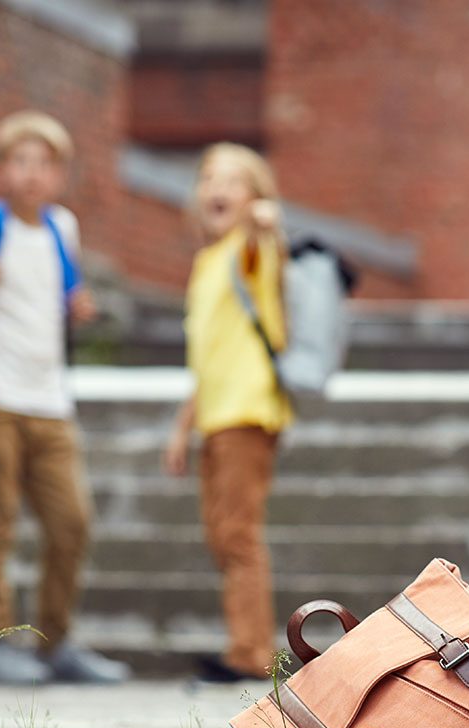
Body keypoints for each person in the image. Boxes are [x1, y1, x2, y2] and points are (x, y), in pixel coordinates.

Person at [0, 111, 130, 685]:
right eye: (21, 161)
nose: (33, 174)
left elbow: (60, 291)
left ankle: (56, 641)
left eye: (45, 163)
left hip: (51, 402)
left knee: (71, 522)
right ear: (2, 169)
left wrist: (76, 305)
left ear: (59, 175)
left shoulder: (64, 227)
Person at [162, 143, 290, 683]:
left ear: (254, 196)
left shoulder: (248, 251)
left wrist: (264, 221)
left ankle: (250, 653)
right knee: (222, 535)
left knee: (237, 534)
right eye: (208, 177)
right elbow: (207, 355)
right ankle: (246, 645)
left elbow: (267, 241)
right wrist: (182, 426)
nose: (216, 188)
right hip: (215, 414)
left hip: (247, 410)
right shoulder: (207, 260)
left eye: (233, 181)